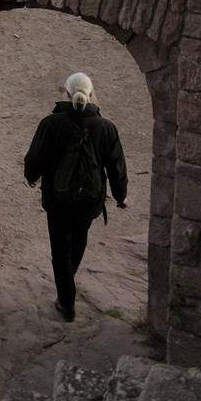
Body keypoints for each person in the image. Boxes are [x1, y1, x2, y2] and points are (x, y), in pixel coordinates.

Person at [23, 71, 128, 322]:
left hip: (57, 199)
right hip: (90, 200)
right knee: (79, 240)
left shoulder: (52, 123)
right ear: (91, 95)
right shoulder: (106, 128)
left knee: (60, 250)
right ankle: (68, 284)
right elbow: (116, 166)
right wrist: (120, 195)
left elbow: (36, 157)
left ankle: (67, 303)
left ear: (67, 95)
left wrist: (31, 176)